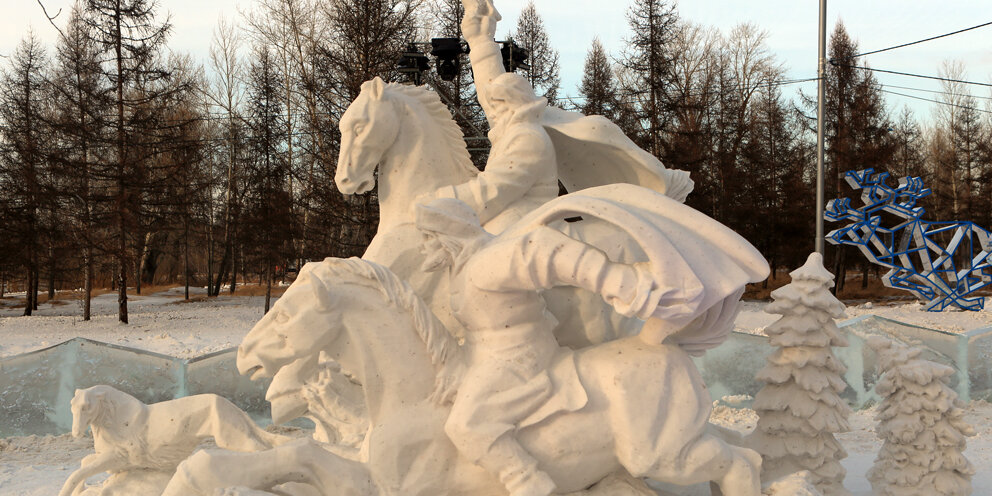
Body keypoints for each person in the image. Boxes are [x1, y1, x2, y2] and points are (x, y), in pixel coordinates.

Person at [416, 198, 660, 496]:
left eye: (428, 237)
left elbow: (541, 249)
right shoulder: (463, 267)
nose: (423, 247)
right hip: (487, 355)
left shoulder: (486, 262)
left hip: (520, 356)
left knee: (466, 424)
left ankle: (528, 483)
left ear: (449, 234)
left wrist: (613, 278)